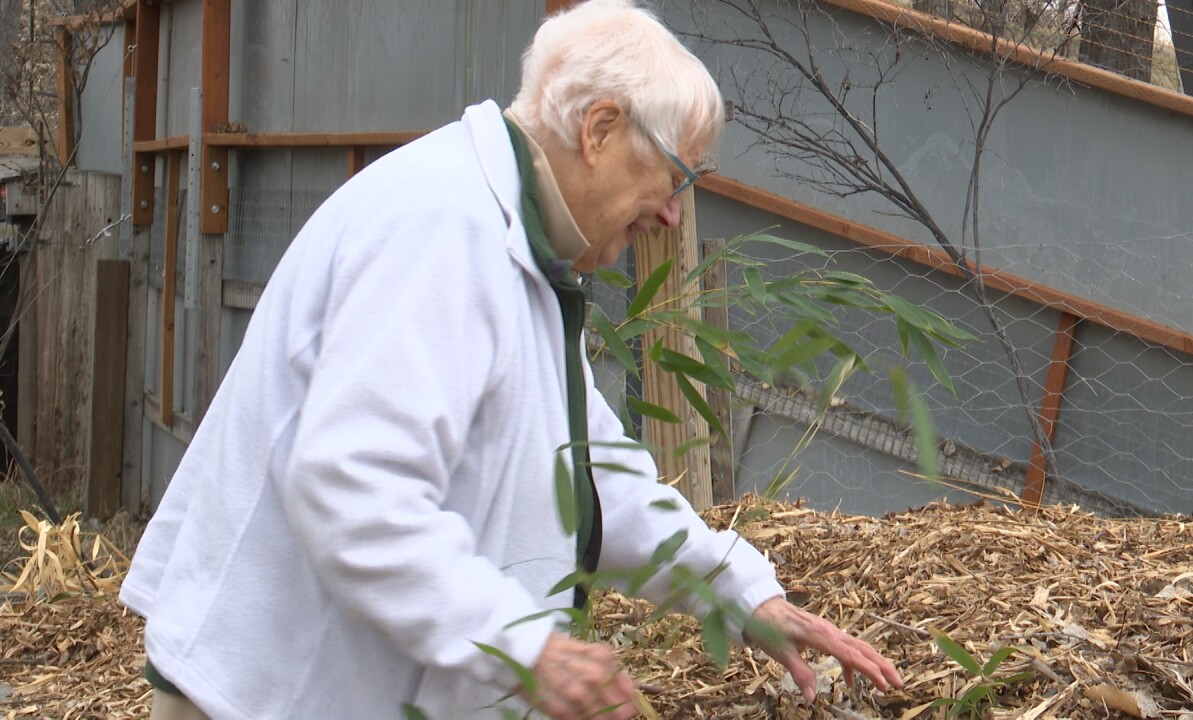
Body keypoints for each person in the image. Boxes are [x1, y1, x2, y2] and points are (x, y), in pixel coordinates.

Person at [119, 1, 904, 718]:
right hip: (265, 693)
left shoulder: (521, 248)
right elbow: (353, 486)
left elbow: (589, 469)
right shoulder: (440, 231)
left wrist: (737, 588)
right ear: (598, 129)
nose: (672, 211)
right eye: (675, 176)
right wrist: (521, 642)